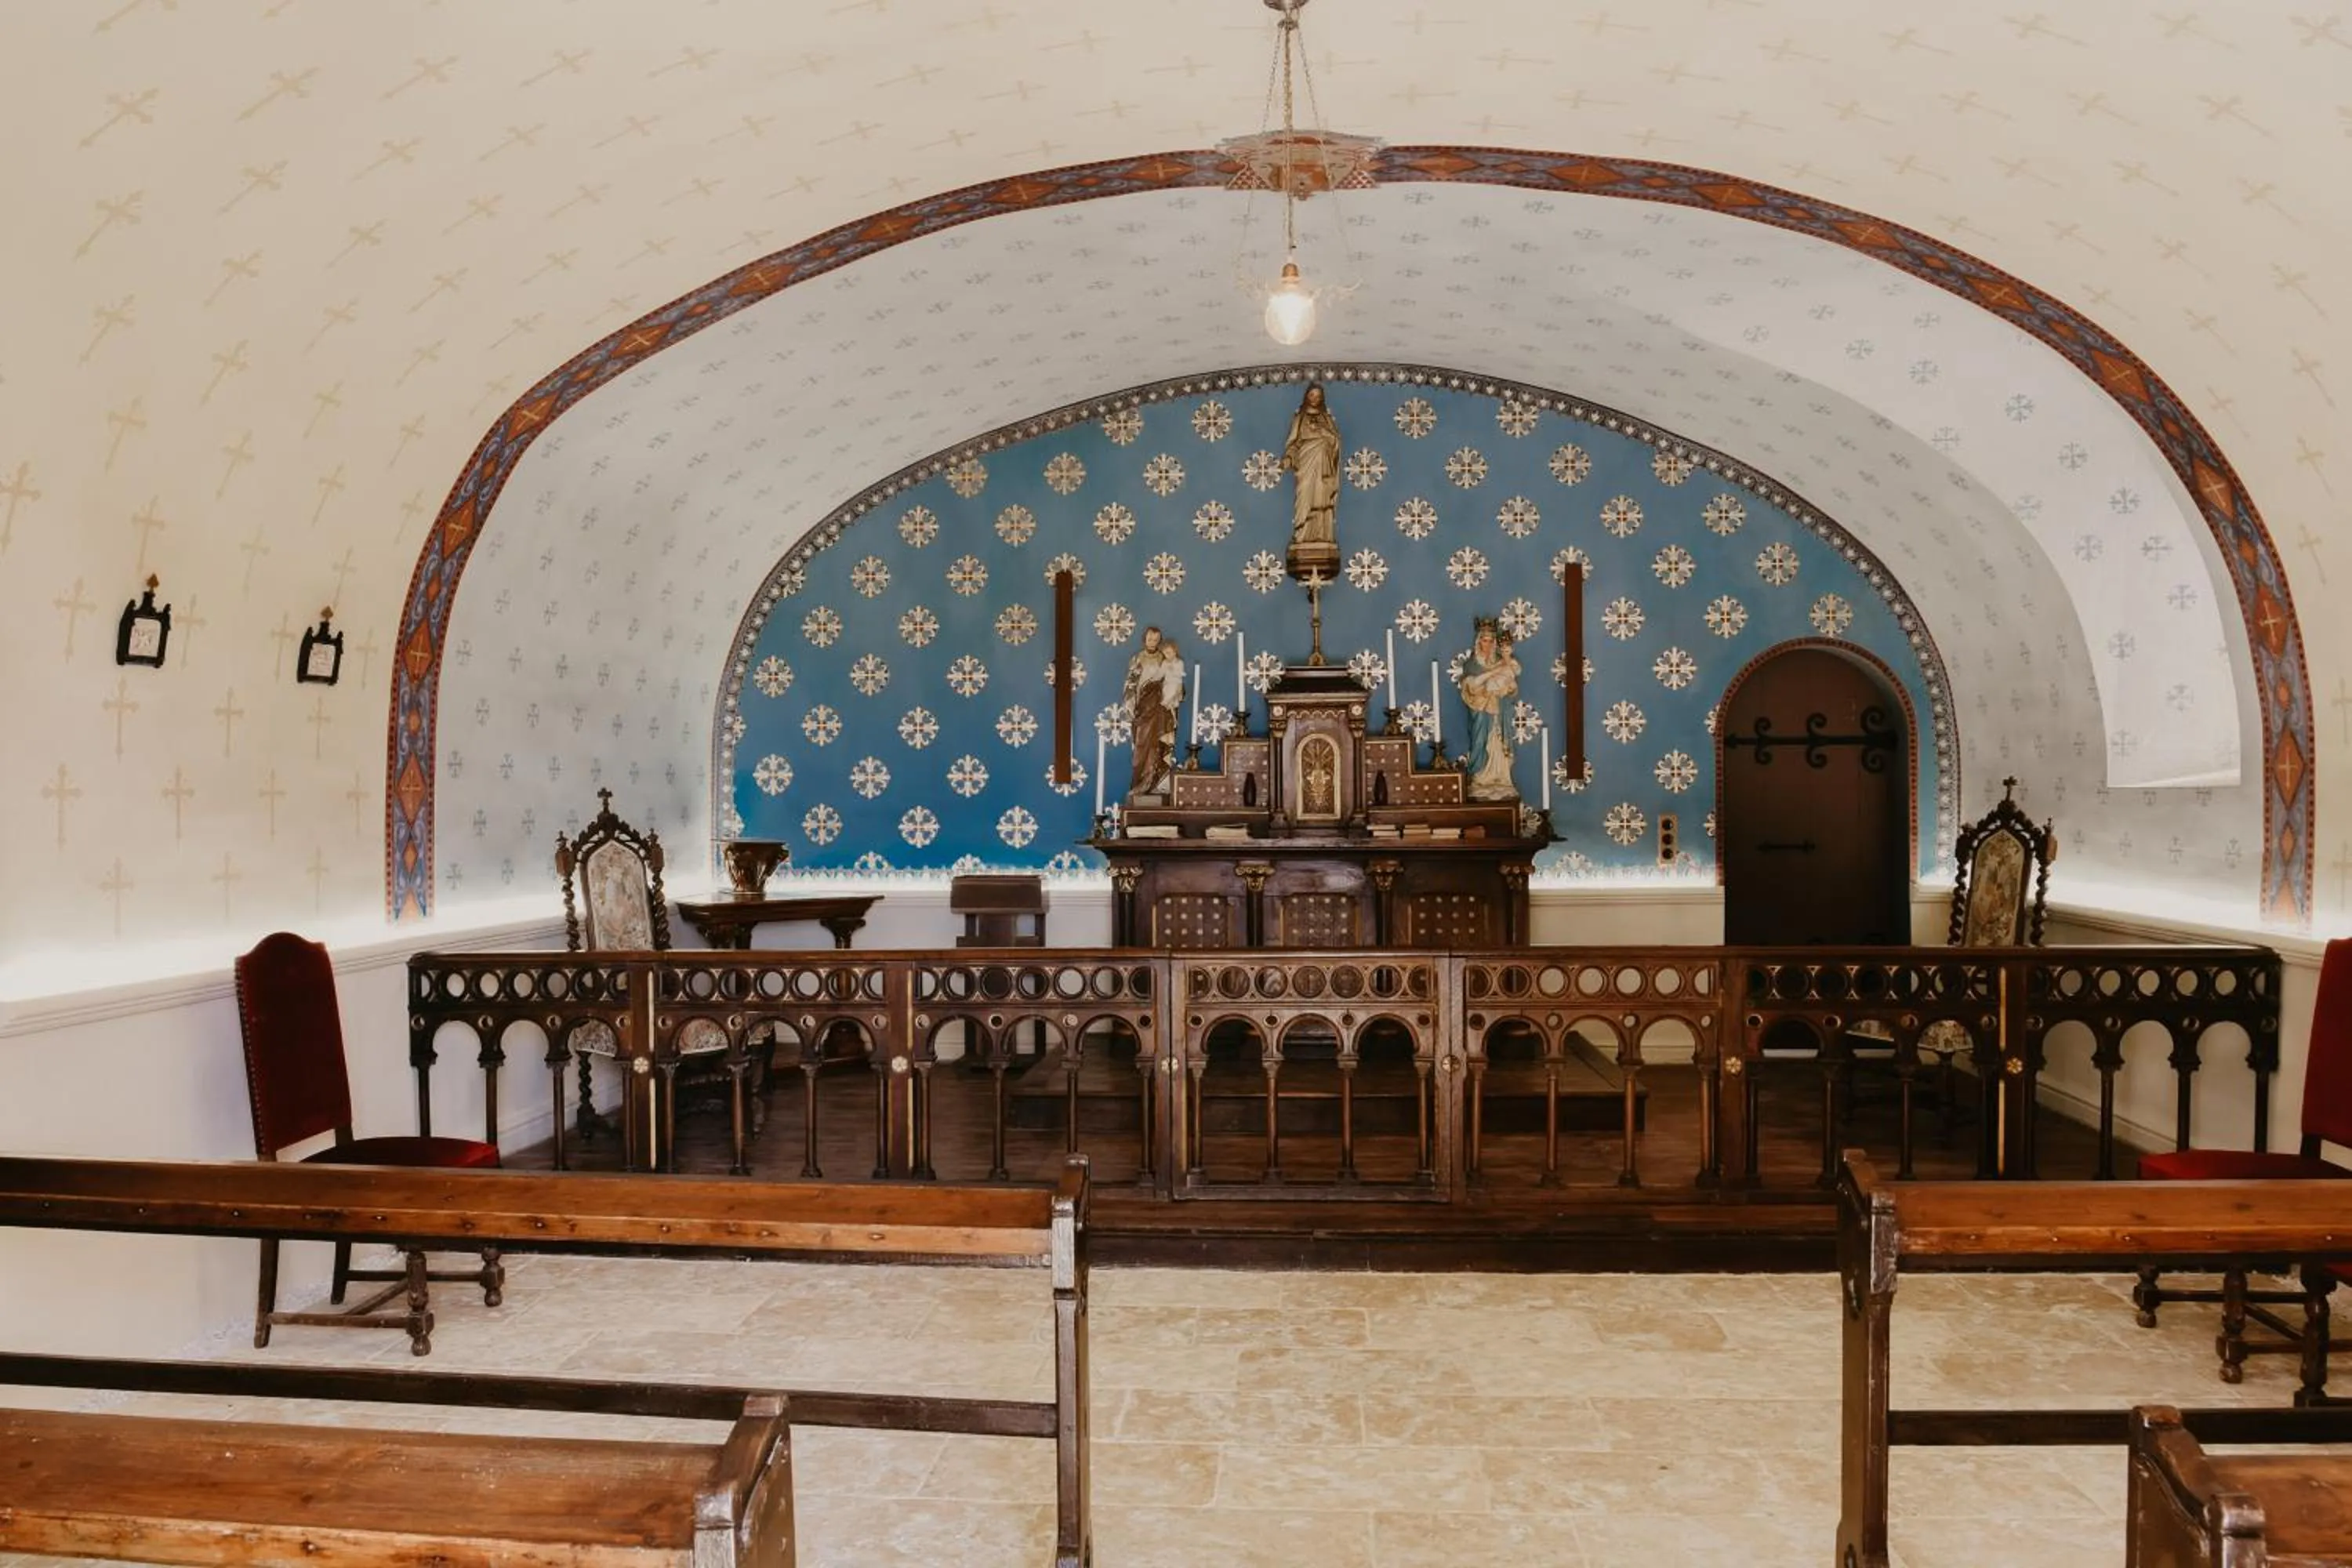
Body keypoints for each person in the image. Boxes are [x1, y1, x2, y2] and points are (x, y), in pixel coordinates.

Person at [1458, 621, 1523, 801]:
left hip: (1499, 713)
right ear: (1478, 641)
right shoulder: (1471, 665)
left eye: (1491, 641)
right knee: (1480, 740)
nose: (1487, 645)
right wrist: (1492, 676)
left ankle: (1501, 778)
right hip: (1481, 713)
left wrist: (1507, 684)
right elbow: (1470, 688)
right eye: (1484, 640)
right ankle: (1480, 778)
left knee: (1498, 742)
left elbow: (1512, 684)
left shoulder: (1502, 662)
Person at [1280, 382, 1341, 572]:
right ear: (1307, 397)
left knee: (1322, 498)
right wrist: (1289, 457)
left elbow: (1336, 443)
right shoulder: (1300, 418)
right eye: (1312, 395)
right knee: (1305, 495)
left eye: (1318, 396)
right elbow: (1293, 442)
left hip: (1324, 466)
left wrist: (1324, 433)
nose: (1315, 399)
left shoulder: (1326, 419)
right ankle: (1302, 534)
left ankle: (1322, 536)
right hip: (1306, 463)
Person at [1122, 626, 1186, 799]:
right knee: (1141, 746)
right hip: (1143, 709)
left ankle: (1156, 784)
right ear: (1144, 639)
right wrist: (1130, 704)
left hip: (1159, 709)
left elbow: (1174, 680)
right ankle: (1139, 784)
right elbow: (1131, 684)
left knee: (1158, 746)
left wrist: (1174, 694)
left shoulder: (1164, 658)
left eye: (1156, 640)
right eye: (1150, 639)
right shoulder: (1138, 659)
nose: (1153, 643)